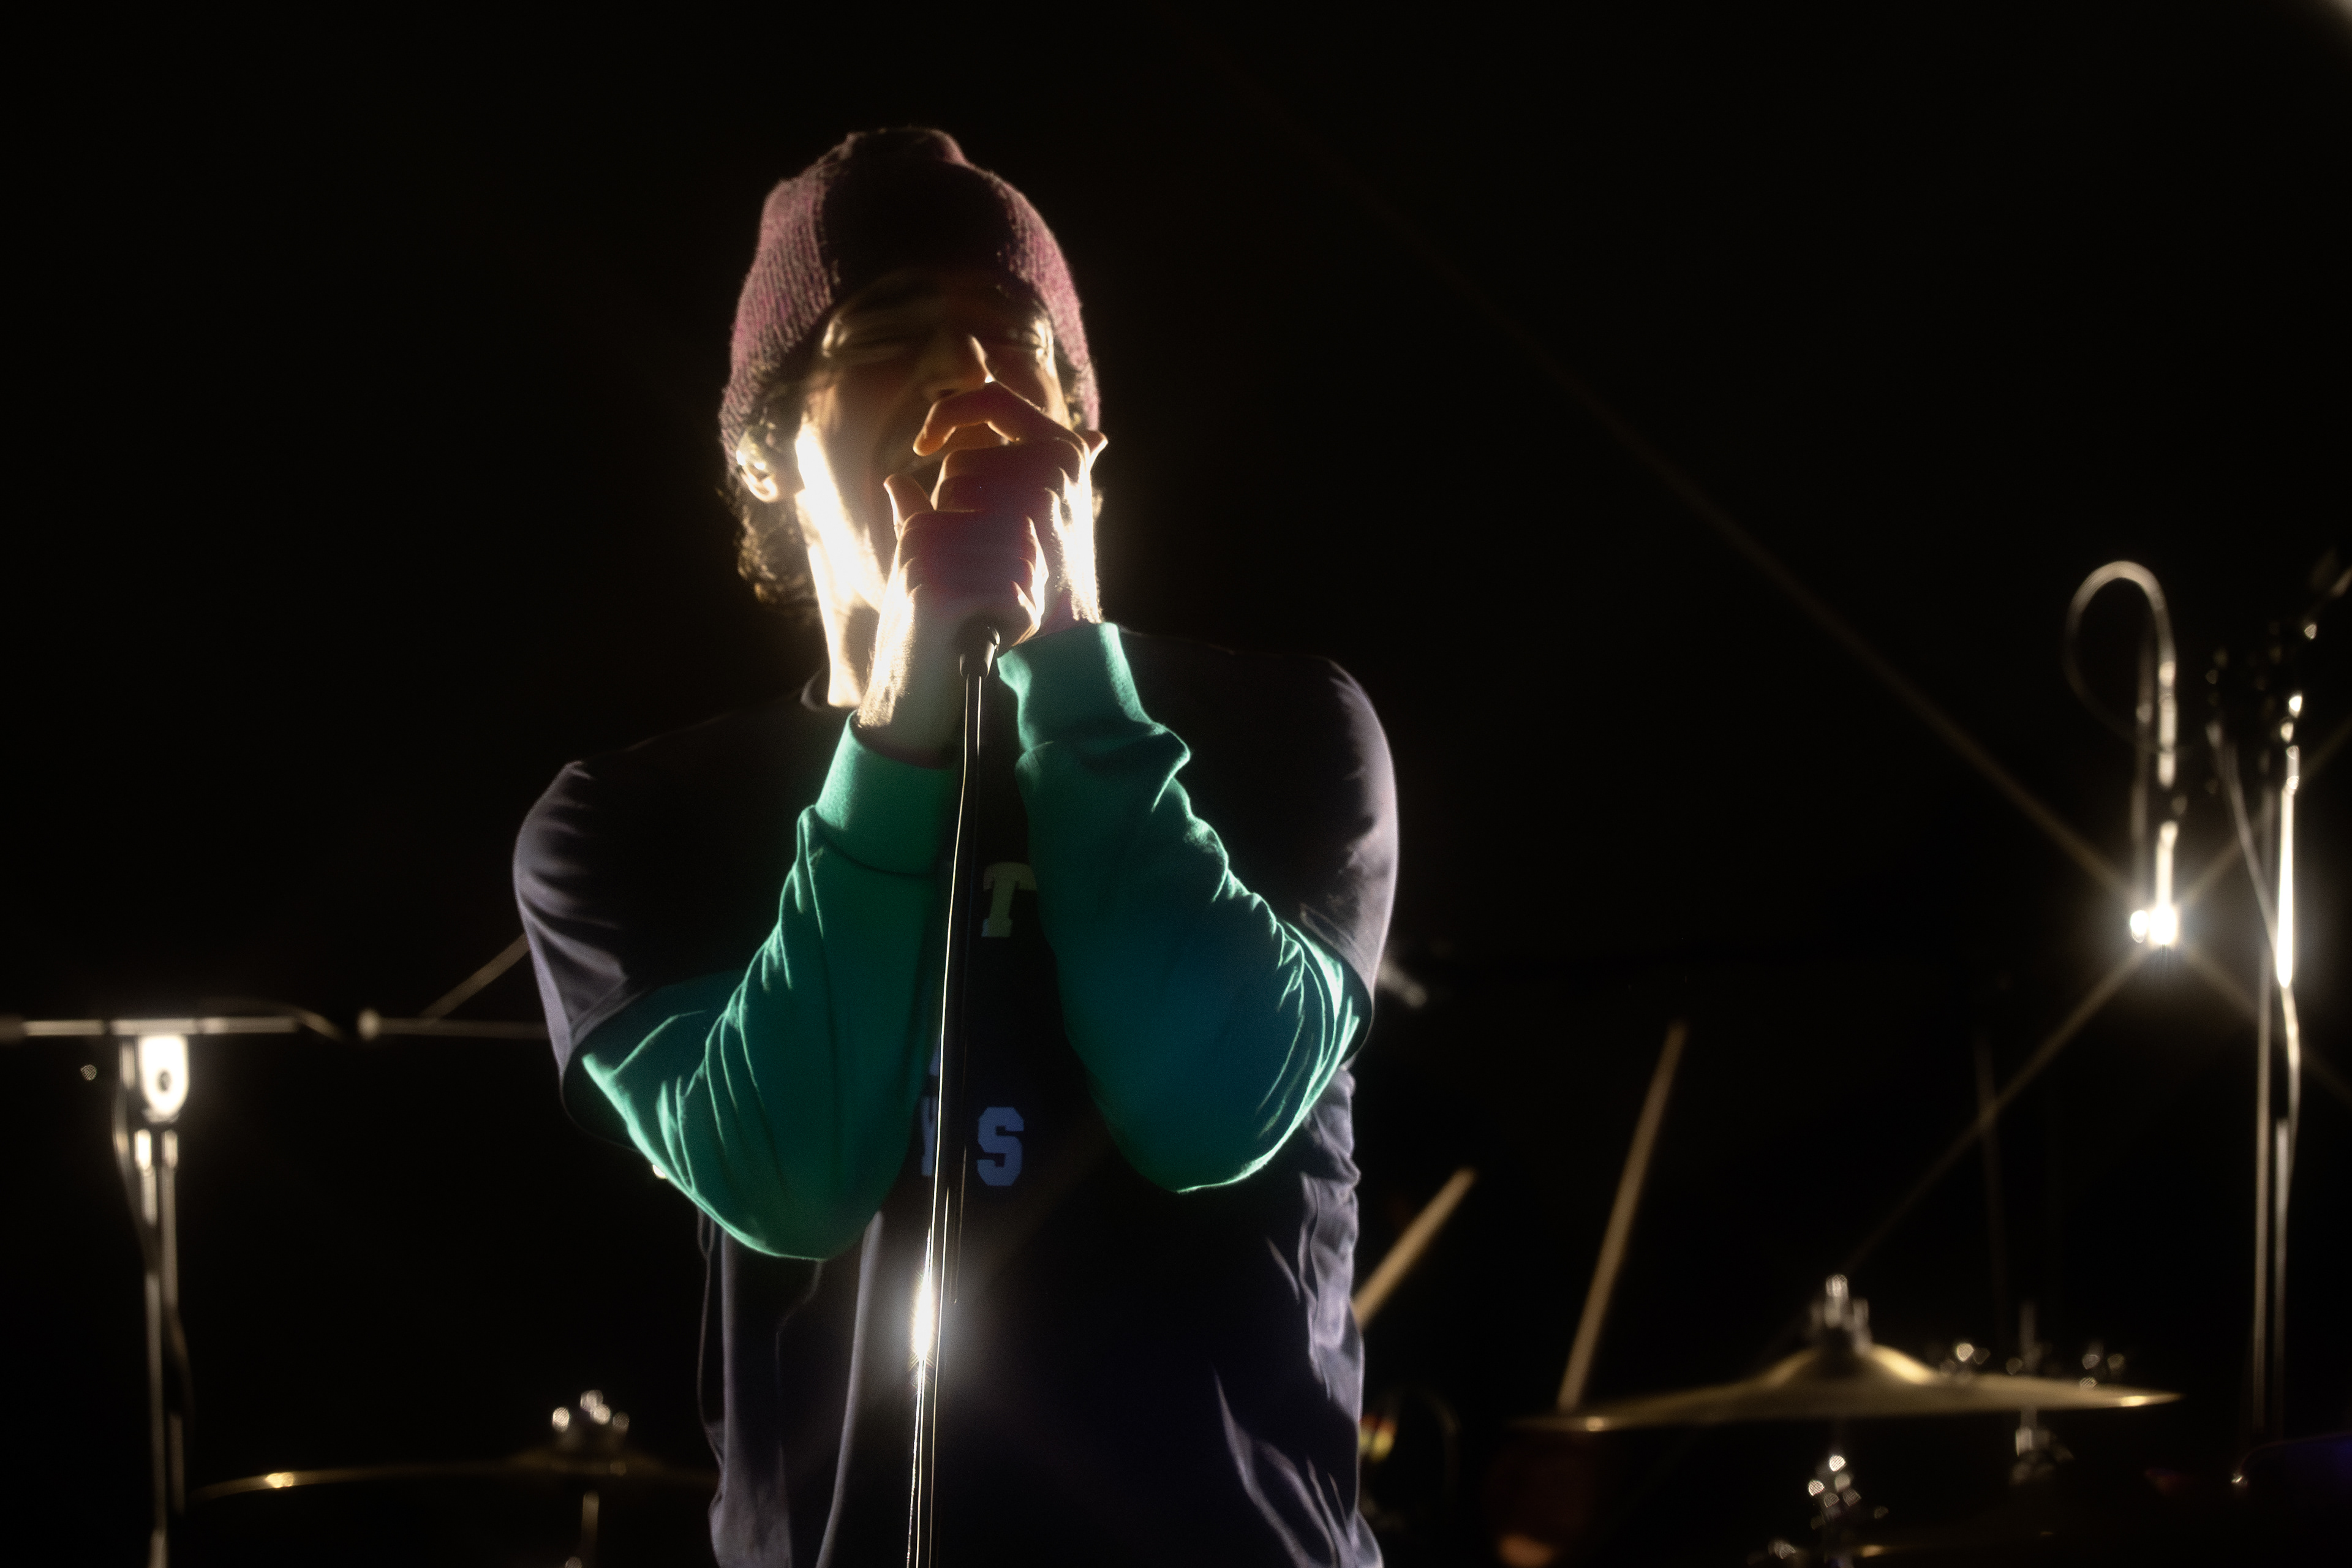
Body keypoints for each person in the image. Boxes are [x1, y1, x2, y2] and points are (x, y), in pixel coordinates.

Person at [515, 127, 1397, 1567]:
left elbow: (1211, 1105)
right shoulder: (630, 820)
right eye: (887, 332)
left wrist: (1067, 659)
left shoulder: (1285, 728)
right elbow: (790, 1173)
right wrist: (904, 716)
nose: (968, 374)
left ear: (1083, 446)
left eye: (1018, 341)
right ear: (764, 456)